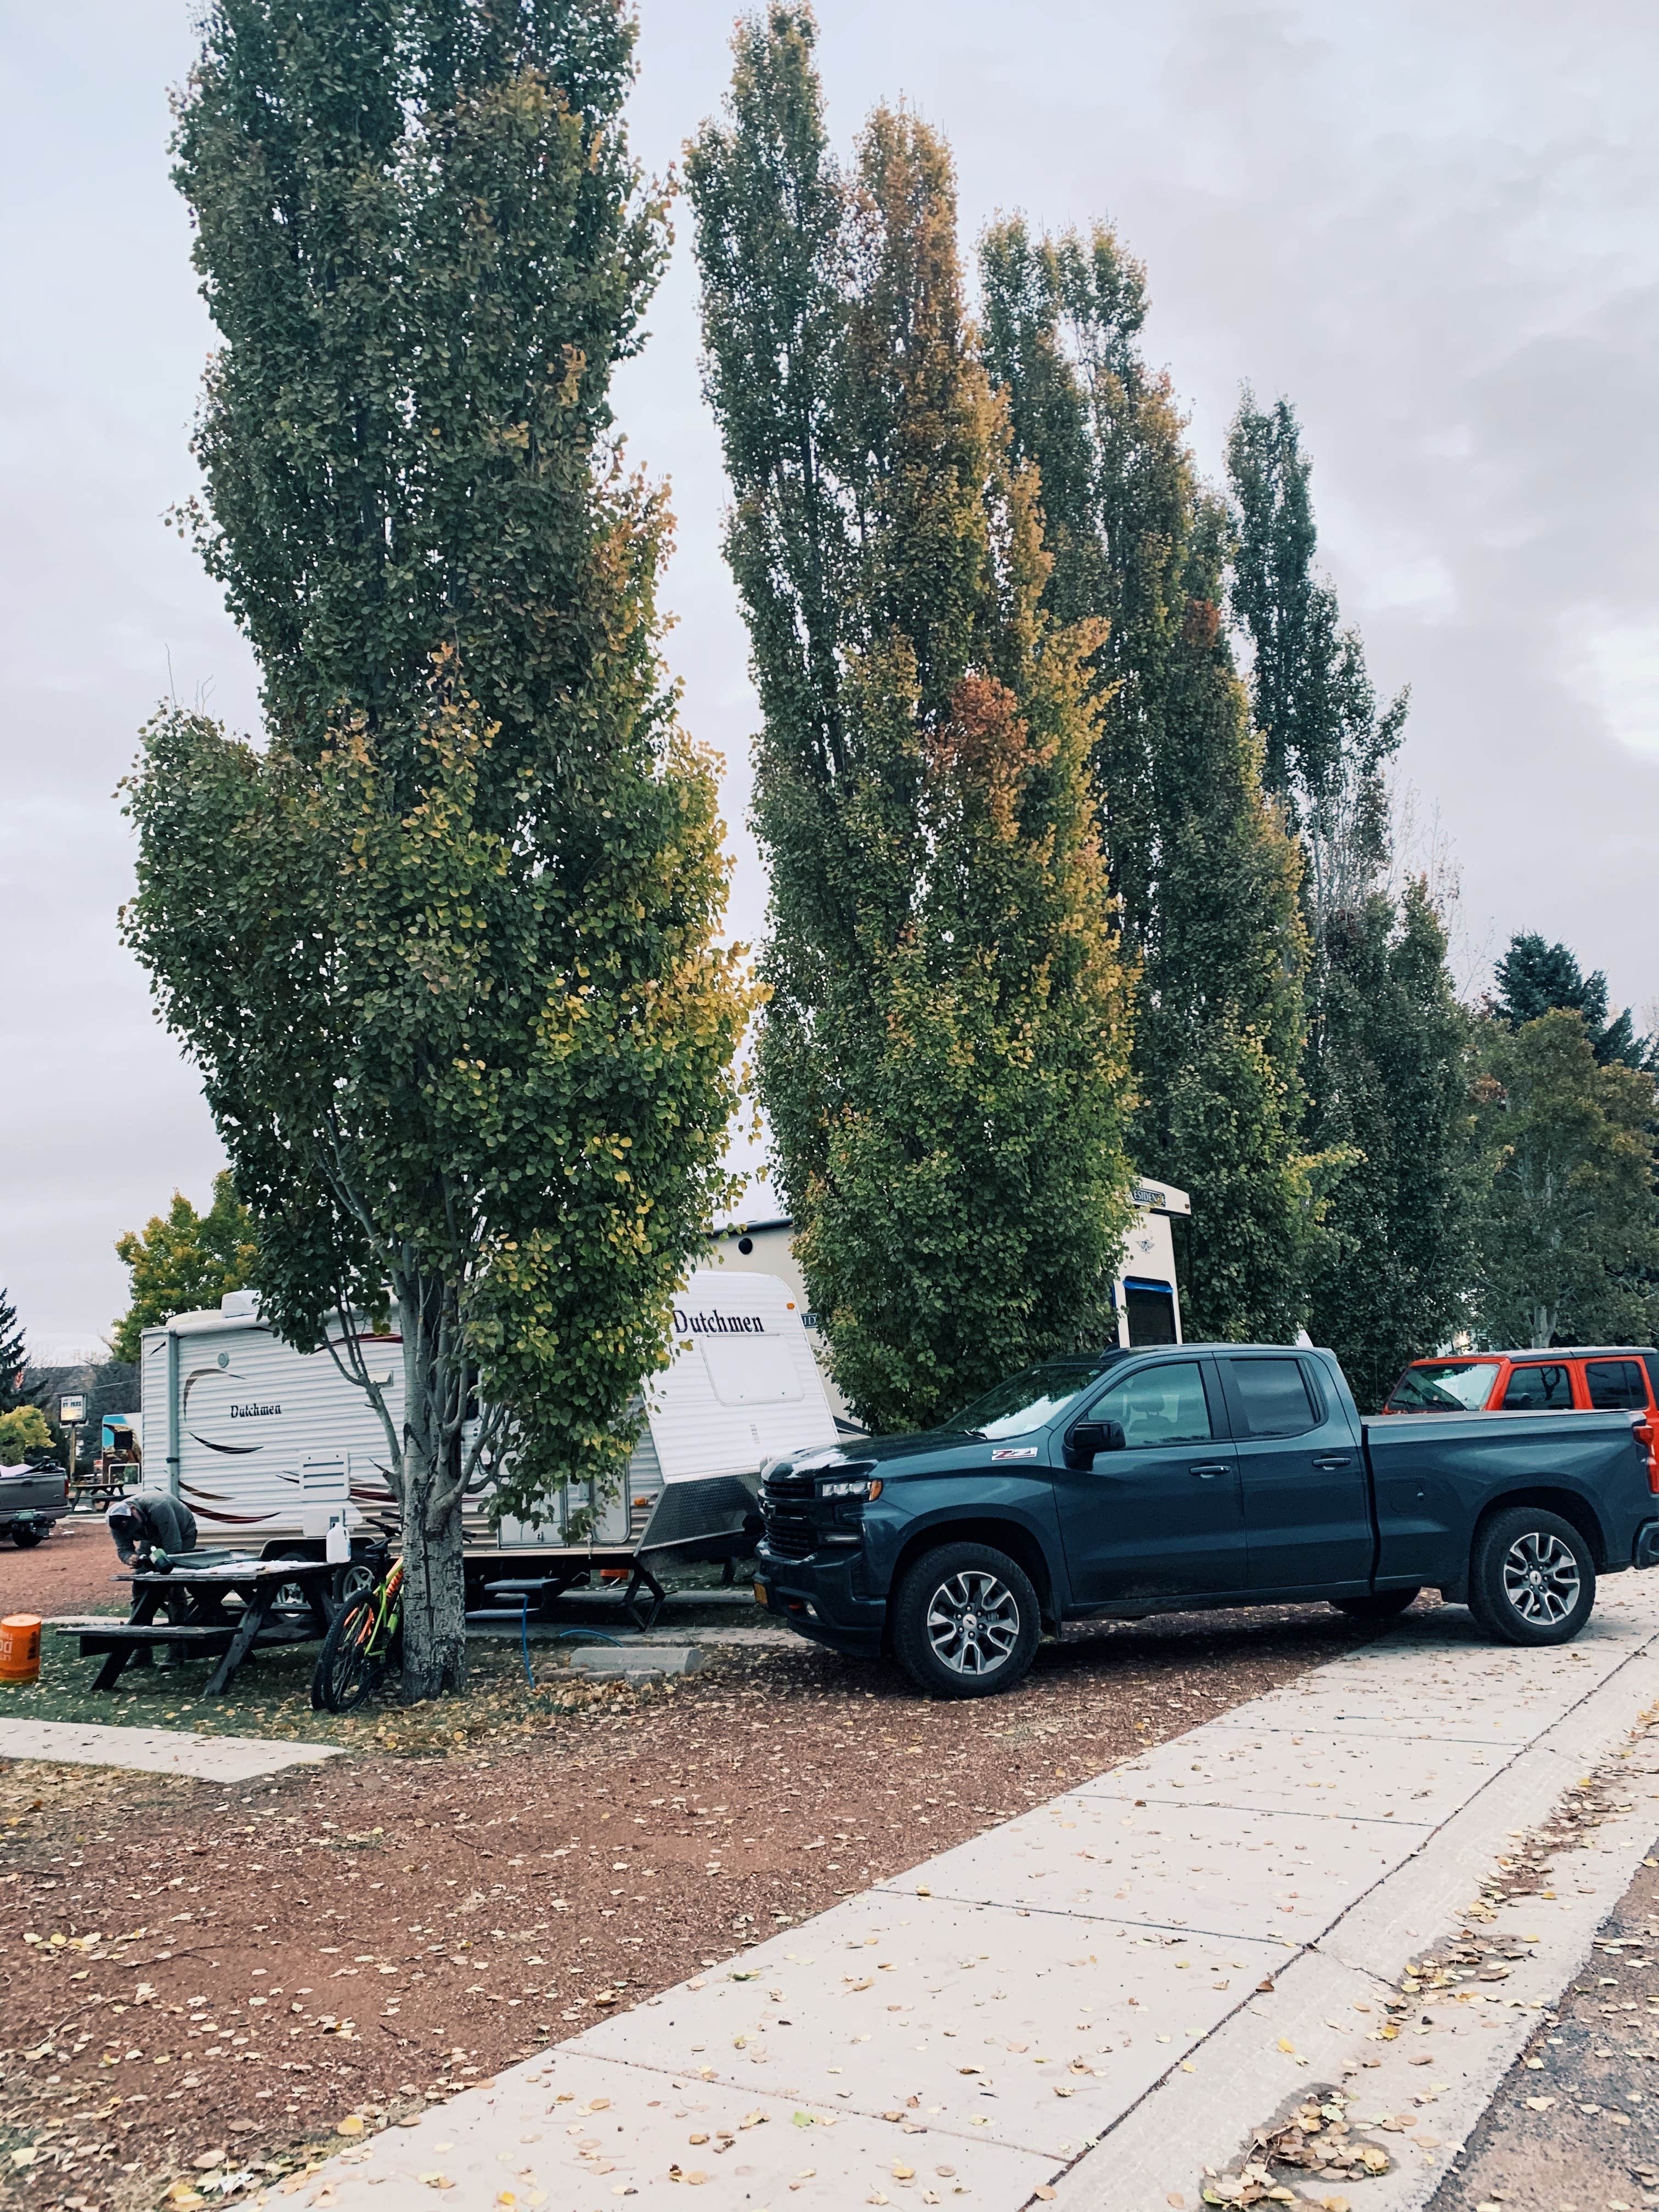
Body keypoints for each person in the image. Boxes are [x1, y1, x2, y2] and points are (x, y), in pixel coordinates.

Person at [106, 1492, 198, 1568]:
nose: (128, 1529)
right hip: (151, 1537)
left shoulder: (158, 1507)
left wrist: (167, 1566)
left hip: (183, 1531)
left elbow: (173, 1544)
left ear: (133, 1510)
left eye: (129, 1525)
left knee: (179, 1567)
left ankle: (178, 1590)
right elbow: (124, 1549)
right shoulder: (116, 1525)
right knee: (142, 1574)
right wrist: (130, 1558)